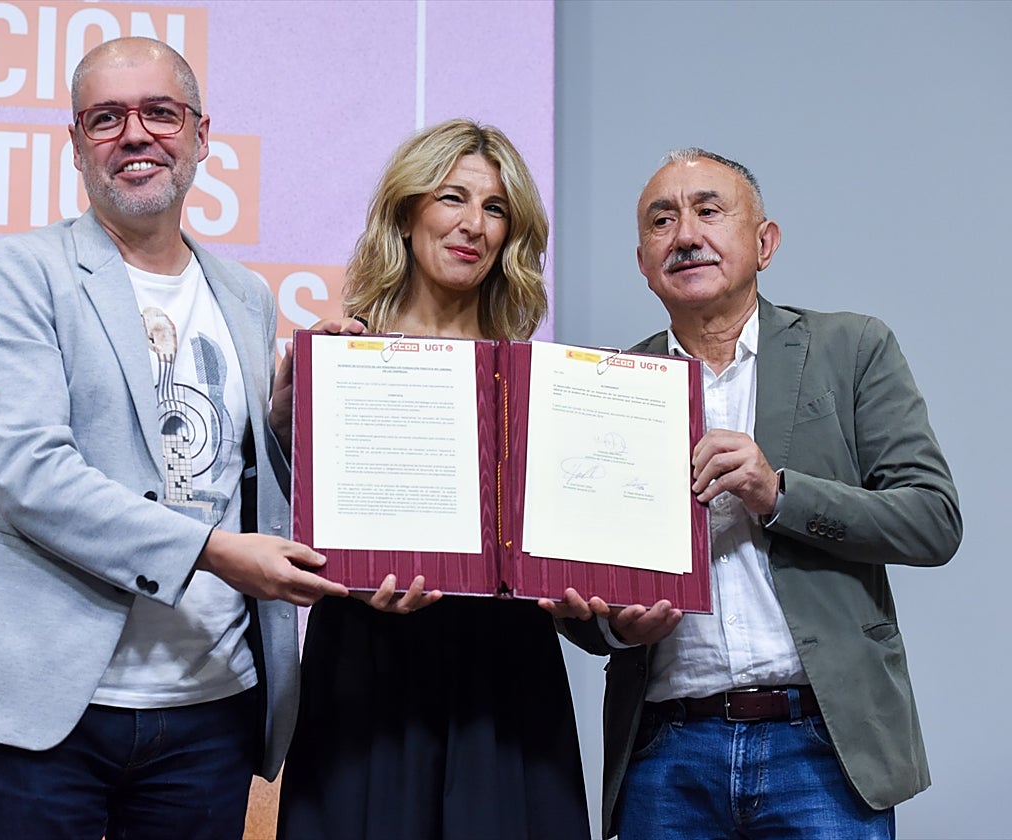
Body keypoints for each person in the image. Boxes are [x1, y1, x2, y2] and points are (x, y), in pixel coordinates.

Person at [0, 37, 347, 839]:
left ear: (201, 134)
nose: (136, 134)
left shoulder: (245, 295)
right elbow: (25, 471)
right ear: (74, 145)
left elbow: (235, 474)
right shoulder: (16, 272)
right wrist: (213, 551)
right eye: (106, 118)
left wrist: (282, 421)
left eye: (160, 113)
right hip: (42, 712)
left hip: (209, 708)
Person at [564, 148, 962, 839]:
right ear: (643, 261)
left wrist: (778, 494)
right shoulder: (605, 389)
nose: (686, 234)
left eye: (709, 211)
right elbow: (569, 585)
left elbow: (933, 520)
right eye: (663, 220)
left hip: (821, 744)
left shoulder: (852, 347)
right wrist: (613, 627)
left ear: (765, 242)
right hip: (666, 750)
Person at [274, 119, 593, 840]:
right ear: (408, 211)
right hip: (366, 657)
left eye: (496, 208)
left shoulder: (542, 386)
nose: (473, 225)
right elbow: (270, 525)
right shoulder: (339, 359)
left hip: (504, 668)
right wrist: (288, 419)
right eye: (453, 198)